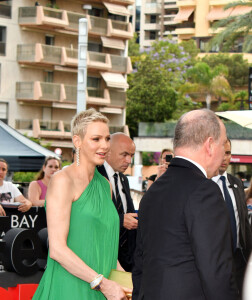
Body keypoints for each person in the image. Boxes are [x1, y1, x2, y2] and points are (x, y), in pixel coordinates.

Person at [132, 109, 239, 300]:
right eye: (223, 144)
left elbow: (140, 265)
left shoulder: (153, 192)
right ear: (210, 145)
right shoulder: (205, 191)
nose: (224, 153)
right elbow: (216, 273)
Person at [33, 109, 131, 299]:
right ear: (77, 141)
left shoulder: (105, 185)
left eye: (107, 138)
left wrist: (127, 284)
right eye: (96, 139)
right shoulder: (62, 180)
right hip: (71, 286)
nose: (104, 145)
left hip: (102, 287)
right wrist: (103, 284)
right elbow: (57, 250)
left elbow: (106, 248)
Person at [212, 138, 252, 296]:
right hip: (214, 260)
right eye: (221, 153)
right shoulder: (203, 185)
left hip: (239, 259)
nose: (224, 158)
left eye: (228, 153)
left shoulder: (236, 183)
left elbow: (243, 222)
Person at [98, 132, 137, 272]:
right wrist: (120, 220)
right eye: (124, 154)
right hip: (101, 256)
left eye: (131, 156)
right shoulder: (93, 176)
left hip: (127, 260)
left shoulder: (123, 179)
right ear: (108, 152)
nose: (128, 161)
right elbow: (91, 217)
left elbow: (130, 214)